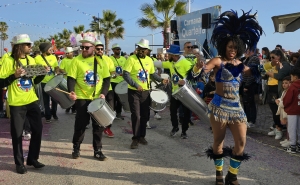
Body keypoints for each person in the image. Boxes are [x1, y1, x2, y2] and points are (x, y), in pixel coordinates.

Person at [202, 10, 263, 184]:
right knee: (218, 141)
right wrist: (199, 71)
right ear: (224, 47)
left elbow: (253, 74)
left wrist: (262, 70)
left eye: (236, 48)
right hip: (219, 107)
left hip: (236, 108)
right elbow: (204, 71)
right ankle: (219, 175)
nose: (233, 50)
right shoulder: (217, 61)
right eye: (230, 47)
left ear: (240, 48)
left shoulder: (241, 65)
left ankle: (232, 175)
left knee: (241, 142)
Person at [0, 34, 47, 174]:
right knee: (17, 134)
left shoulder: (30, 59)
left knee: (38, 130)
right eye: (28, 45)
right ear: (20, 46)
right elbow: (1, 82)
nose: (30, 47)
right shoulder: (7, 60)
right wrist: (14, 76)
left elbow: (35, 81)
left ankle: (32, 159)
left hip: (31, 100)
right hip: (17, 103)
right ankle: (19, 163)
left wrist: (43, 73)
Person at [67, 35, 111, 161]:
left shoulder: (100, 61)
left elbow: (107, 79)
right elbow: (71, 78)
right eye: (82, 47)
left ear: (93, 48)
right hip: (81, 98)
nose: (84, 50)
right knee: (80, 125)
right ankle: (76, 148)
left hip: (97, 98)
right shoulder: (76, 60)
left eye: (87, 47)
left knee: (98, 126)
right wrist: (71, 91)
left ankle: (98, 150)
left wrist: (104, 93)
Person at [122, 39, 168, 149]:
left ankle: (142, 136)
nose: (142, 51)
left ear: (147, 50)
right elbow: (126, 75)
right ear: (138, 49)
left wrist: (161, 80)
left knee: (145, 115)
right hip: (134, 92)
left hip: (146, 92)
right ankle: (135, 138)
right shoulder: (131, 59)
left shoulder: (149, 60)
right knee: (136, 115)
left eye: (144, 49)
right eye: (140, 48)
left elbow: (152, 74)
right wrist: (135, 85)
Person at [154, 45, 200, 139]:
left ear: (174, 55)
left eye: (169, 54)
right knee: (173, 111)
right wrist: (147, 61)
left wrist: (184, 81)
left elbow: (193, 75)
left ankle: (184, 131)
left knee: (186, 113)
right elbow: (160, 64)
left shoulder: (185, 63)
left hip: (184, 93)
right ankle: (175, 127)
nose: (168, 55)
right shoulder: (170, 63)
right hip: (175, 93)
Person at [35, 42, 61, 123]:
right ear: (44, 49)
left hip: (53, 81)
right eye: (49, 48)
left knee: (54, 99)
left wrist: (58, 72)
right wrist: (42, 69)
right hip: (43, 82)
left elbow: (56, 67)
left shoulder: (53, 57)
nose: (51, 49)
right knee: (46, 100)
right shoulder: (37, 58)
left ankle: (54, 113)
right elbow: (35, 70)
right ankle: (48, 116)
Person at [94, 40, 116, 138]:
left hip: (108, 88)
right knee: (97, 110)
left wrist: (113, 75)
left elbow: (112, 71)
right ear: (94, 49)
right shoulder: (91, 59)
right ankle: (99, 126)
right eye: (98, 49)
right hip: (95, 89)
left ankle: (107, 127)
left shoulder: (108, 59)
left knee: (110, 109)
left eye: (101, 49)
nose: (100, 50)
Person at [241, 49, 261, 128]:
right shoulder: (246, 59)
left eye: (246, 51)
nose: (245, 53)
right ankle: (247, 118)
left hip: (250, 84)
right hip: (244, 83)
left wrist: (247, 85)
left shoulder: (254, 58)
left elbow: (252, 73)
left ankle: (251, 120)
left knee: (250, 103)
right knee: (245, 103)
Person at [283, 68, 300, 154]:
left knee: (292, 128)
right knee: (299, 128)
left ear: (295, 77)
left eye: (292, 77)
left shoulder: (293, 86)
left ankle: (293, 146)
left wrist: (285, 106)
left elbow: (287, 99)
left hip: (292, 109)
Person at [109, 43, 127, 120]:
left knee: (120, 99)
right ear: (113, 50)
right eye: (116, 49)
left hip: (121, 82)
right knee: (113, 99)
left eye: (119, 49)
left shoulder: (124, 59)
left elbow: (126, 69)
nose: (118, 50)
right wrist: (113, 75)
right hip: (113, 82)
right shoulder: (110, 59)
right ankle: (112, 113)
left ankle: (118, 113)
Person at [60, 47, 76, 114]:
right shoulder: (64, 60)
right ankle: (68, 107)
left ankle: (74, 109)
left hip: (75, 80)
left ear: (72, 53)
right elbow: (61, 69)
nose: (66, 54)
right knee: (69, 94)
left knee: (75, 94)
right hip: (66, 80)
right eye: (66, 53)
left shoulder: (76, 59)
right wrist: (65, 72)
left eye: (68, 53)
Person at [275, 76, 290, 148]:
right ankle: (287, 139)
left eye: (286, 83)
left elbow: (286, 102)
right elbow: (282, 98)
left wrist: (279, 103)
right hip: (283, 111)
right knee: (287, 126)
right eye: (283, 83)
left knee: (290, 126)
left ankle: (290, 140)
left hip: (287, 111)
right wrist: (278, 100)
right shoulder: (284, 91)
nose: (284, 84)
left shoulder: (289, 92)